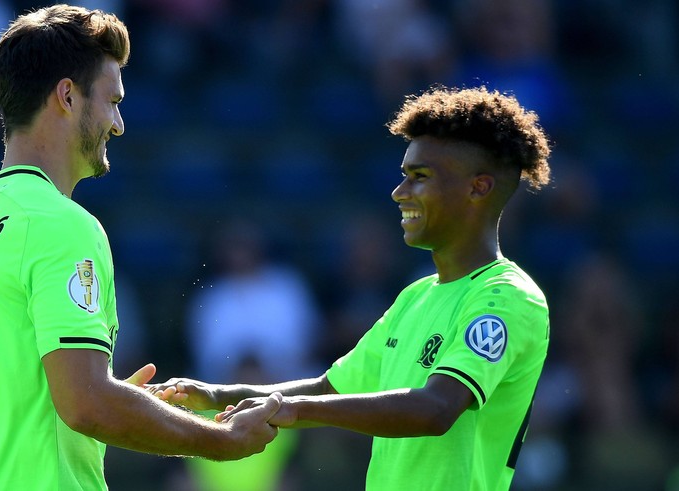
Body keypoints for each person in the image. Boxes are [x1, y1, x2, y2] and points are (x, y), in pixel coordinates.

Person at [0, 5, 281, 490]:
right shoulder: (63, 225)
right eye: (112, 101)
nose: (118, 123)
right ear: (66, 96)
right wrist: (220, 438)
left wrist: (85, 397)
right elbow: (86, 405)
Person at [152, 86, 552, 491]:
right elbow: (330, 387)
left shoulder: (507, 297)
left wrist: (290, 408)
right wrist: (215, 394)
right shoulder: (416, 296)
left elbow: (436, 409)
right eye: (403, 177)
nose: (400, 192)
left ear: (478, 188)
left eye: (420, 177)